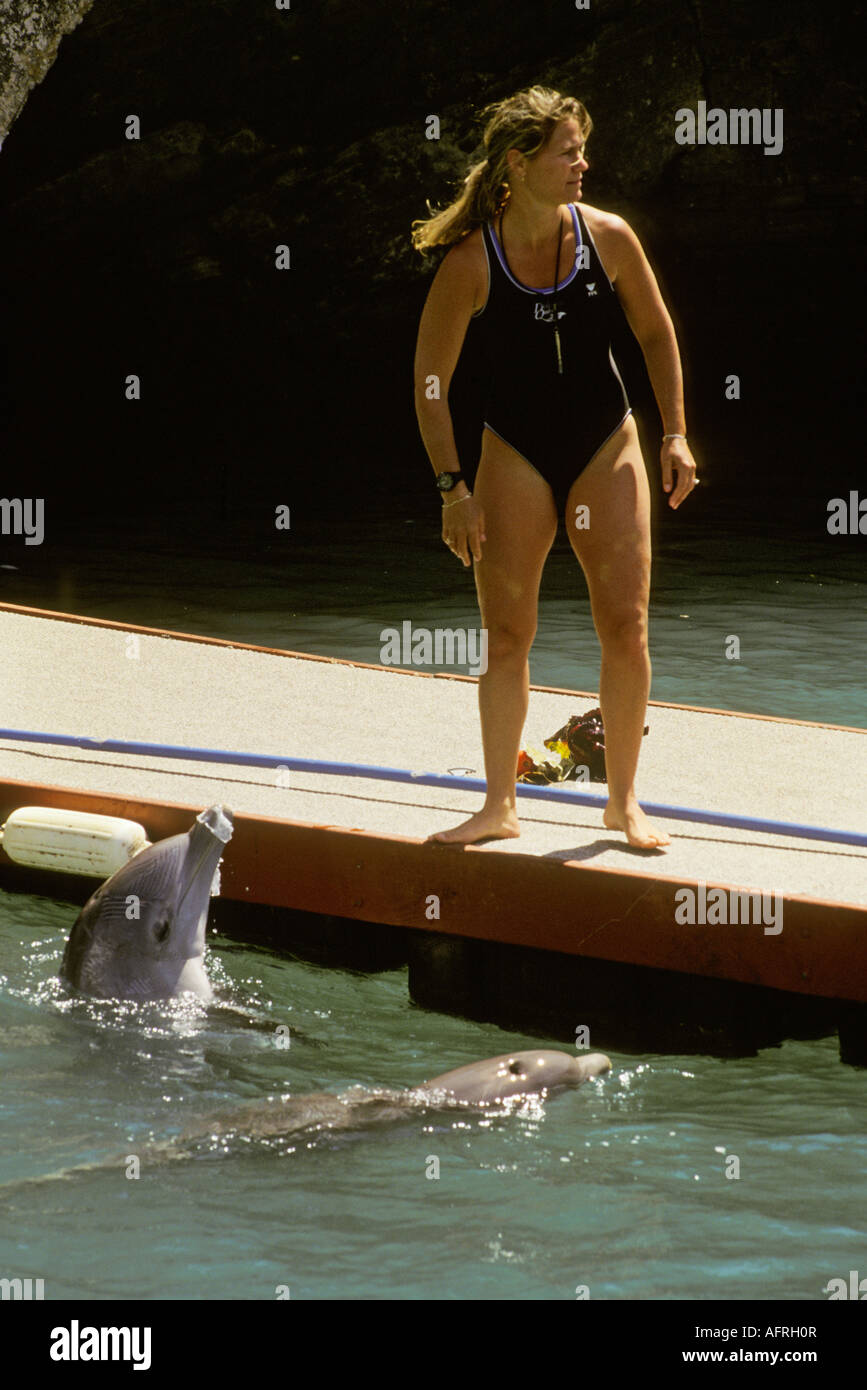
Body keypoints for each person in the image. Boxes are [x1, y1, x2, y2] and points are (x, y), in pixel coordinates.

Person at [412, 87, 699, 850]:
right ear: (519, 162)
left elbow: (656, 336)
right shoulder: (472, 262)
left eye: (580, 150)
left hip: (606, 442)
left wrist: (674, 435)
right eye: (567, 151)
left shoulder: (608, 237)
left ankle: (623, 802)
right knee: (506, 635)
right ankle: (498, 806)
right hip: (512, 452)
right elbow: (430, 384)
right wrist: (453, 489)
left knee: (626, 626)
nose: (583, 164)